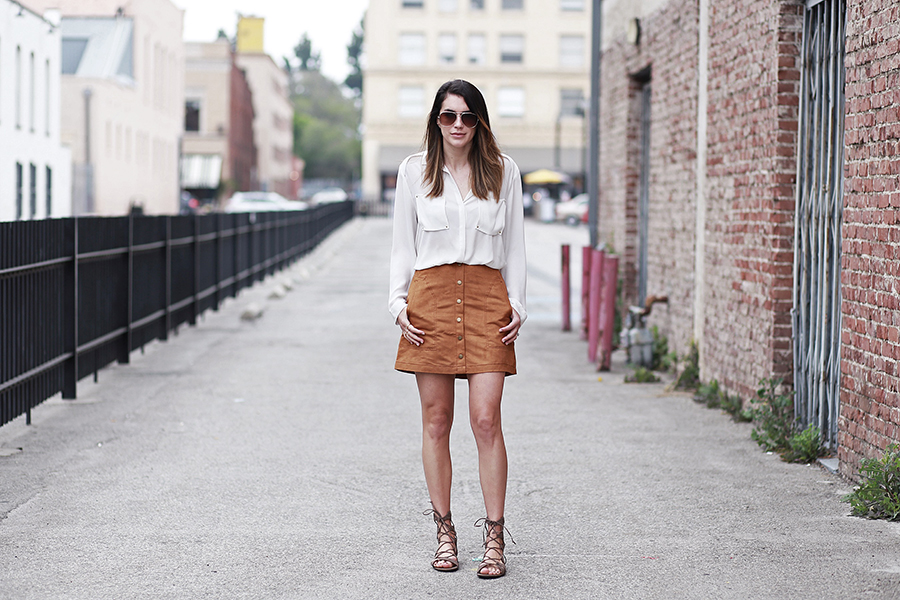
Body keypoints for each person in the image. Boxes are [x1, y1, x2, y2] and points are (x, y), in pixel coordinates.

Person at [388, 79, 527, 579]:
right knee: (435, 421)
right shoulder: (413, 172)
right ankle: (445, 533)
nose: (459, 126)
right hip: (430, 300)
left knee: (486, 419)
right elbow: (403, 243)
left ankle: (494, 539)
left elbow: (515, 246)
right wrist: (397, 302)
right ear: (436, 121)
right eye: (449, 116)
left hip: (489, 299)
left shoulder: (503, 171)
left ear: (481, 122)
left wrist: (519, 304)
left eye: (468, 117)